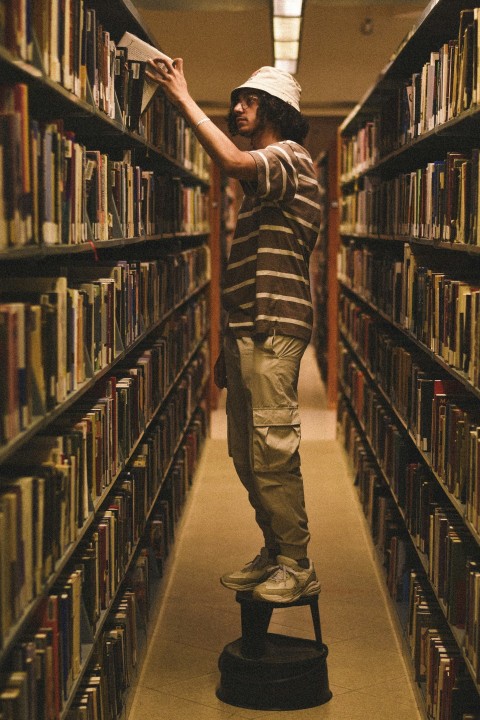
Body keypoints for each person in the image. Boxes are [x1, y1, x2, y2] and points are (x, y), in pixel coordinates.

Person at [147, 56, 321, 603]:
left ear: (275, 109)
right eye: (236, 102)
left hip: (274, 328)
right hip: (248, 330)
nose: (238, 110)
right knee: (247, 455)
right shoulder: (261, 190)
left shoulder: (291, 160)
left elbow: (231, 161)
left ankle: (297, 563)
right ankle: (274, 550)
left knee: (271, 449)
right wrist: (225, 343)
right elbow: (243, 274)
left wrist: (182, 98)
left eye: (248, 101)